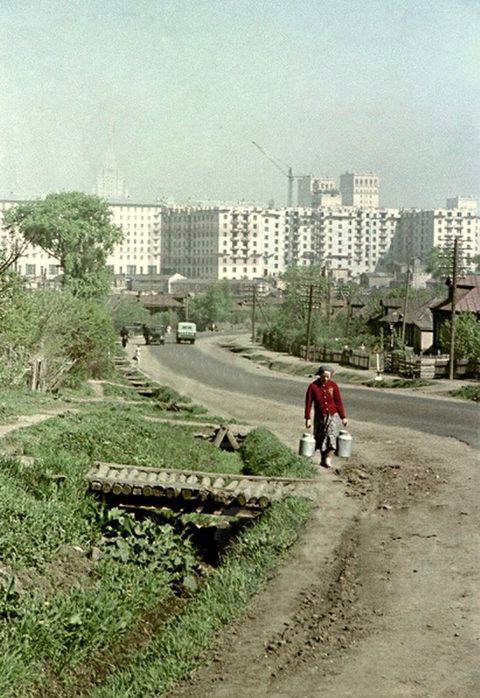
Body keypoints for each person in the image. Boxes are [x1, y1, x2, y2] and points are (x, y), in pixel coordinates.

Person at [305, 365, 348, 468]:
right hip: (320, 417)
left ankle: (328, 459)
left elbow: (338, 402)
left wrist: (343, 417)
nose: (325, 379)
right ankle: (322, 459)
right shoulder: (313, 386)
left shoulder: (333, 386)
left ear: (331, 376)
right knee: (321, 438)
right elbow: (308, 404)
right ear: (319, 375)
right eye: (323, 376)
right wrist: (308, 418)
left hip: (333, 416)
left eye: (328, 376)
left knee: (331, 436)